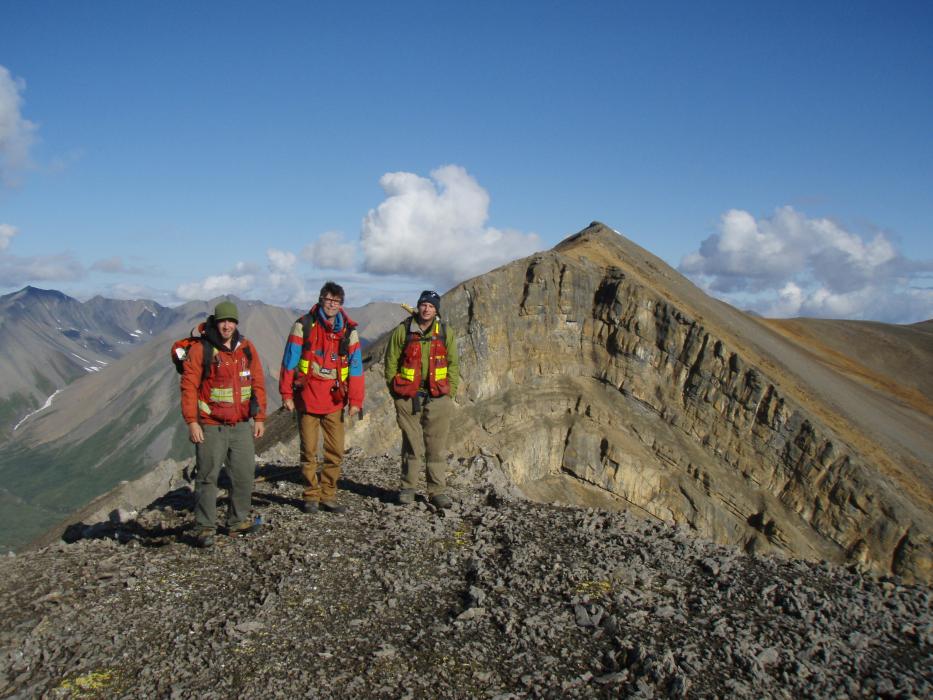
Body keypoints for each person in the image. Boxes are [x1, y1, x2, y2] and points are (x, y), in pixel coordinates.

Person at [180, 300, 267, 548]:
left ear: (236, 323)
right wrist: (192, 422)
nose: (227, 326)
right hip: (210, 424)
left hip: (240, 425)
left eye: (231, 321)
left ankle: (237, 522)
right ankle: (204, 527)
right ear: (216, 322)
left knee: (244, 474)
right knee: (207, 476)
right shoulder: (201, 350)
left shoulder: (247, 349)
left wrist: (259, 417)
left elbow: (257, 383)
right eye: (223, 321)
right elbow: (188, 387)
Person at [279, 282, 364, 514]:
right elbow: (289, 361)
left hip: (335, 400)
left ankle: (328, 495)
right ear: (320, 299)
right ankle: (310, 496)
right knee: (308, 450)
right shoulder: (303, 326)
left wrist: (356, 400)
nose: (331, 304)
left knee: (335, 450)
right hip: (307, 398)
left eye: (336, 301)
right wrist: (286, 394)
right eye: (328, 299)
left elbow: (356, 368)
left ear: (341, 304)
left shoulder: (349, 331)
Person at [384, 290, 459, 508]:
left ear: (436, 310)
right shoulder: (403, 330)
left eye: (431, 306)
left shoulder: (445, 332)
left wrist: (449, 394)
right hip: (408, 398)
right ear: (418, 306)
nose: (426, 309)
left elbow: (454, 364)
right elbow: (391, 362)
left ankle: (437, 491)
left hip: (438, 398)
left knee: (436, 445)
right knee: (412, 445)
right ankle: (408, 488)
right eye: (423, 305)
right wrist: (396, 392)